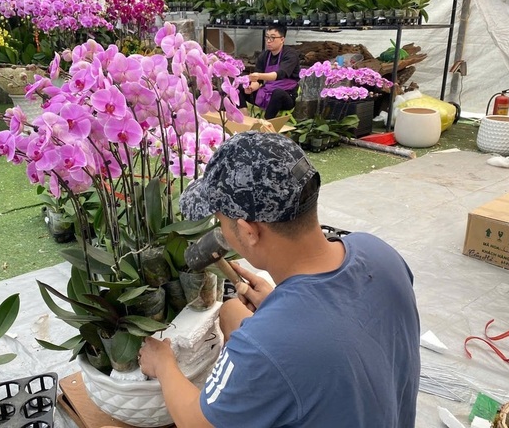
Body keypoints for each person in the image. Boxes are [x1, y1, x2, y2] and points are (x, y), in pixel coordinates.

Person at [138, 132, 421, 428]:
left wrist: (163, 364)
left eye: (221, 221)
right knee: (232, 312)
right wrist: (280, 305)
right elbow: (346, 324)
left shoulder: (268, 343)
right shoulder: (378, 253)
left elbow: (197, 423)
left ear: (249, 231)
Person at [239, 24, 301, 120]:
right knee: (239, 88)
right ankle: (245, 120)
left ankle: (266, 125)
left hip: (285, 96)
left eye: (272, 38)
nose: (268, 41)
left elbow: (280, 74)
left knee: (278, 93)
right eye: (267, 37)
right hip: (265, 94)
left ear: (282, 39)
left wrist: (259, 76)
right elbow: (258, 82)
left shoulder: (290, 55)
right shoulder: (264, 56)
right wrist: (251, 87)